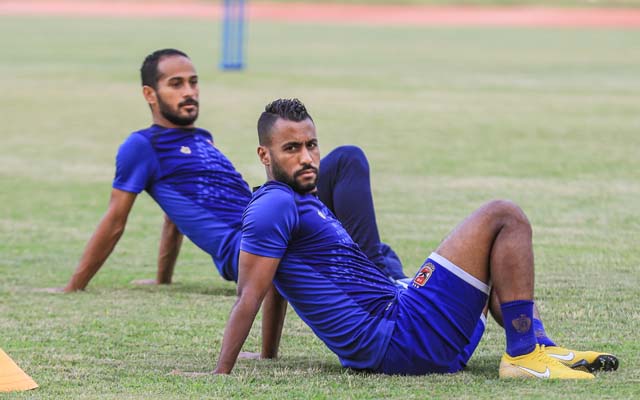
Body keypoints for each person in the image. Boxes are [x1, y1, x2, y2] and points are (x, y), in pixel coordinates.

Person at [212, 98, 618, 378]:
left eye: (311, 145)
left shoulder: (300, 200)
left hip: (407, 333)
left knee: (496, 252)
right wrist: (221, 374)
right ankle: (525, 354)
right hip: (400, 336)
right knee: (504, 216)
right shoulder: (273, 205)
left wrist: (268, 356)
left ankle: (537, 345)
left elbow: (277, 282)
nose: (306, 158)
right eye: (291, 148)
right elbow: (250, 293)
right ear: (264, 155)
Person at [62, 48, 407, 293]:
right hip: (249, 242)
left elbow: (174, 216)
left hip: (273, 218)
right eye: (176, 84)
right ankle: (379, 285)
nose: (189, 92)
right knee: (346, 161)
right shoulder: (142, 146)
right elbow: (115, 220)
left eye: (194, 82)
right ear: (150, 94)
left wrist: (163, 279)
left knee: (374, 244)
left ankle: (388, 282)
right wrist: (74, 286)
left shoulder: (201, 139)